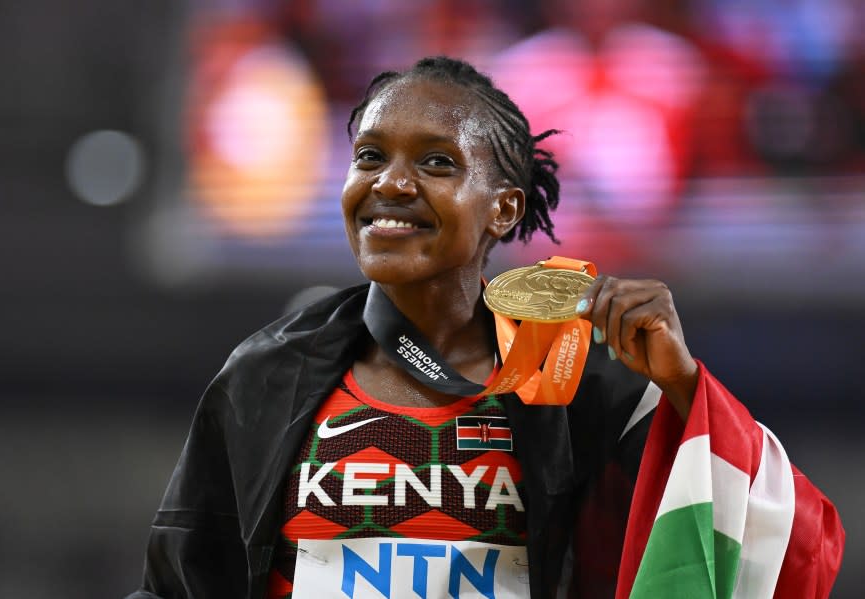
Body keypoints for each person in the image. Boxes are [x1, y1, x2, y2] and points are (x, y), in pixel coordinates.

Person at [126, 57, 843, 599]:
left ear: (503, 209)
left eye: (436, 162)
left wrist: (683, 384)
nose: (391, 183)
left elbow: (786, 551)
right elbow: (178, 585)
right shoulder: (267, 371)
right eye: (370, 156)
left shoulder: (585, 380)